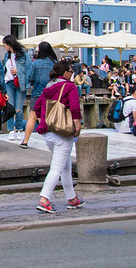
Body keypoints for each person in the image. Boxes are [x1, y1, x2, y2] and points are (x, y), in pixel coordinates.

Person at [29, 60, 85, 213]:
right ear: (66, 73)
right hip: (62, 133)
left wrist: (45, 121)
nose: (72, 74)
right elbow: (74, 107)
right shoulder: (69, 86)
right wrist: (77, 125)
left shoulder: (49, 86)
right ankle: (44, 199)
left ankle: (72, 198)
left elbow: (37, 106)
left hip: (48, 133)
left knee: (65, 165)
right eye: (71, 71)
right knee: (57, 168)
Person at [21, 42, 58, 149]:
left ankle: (25, 141)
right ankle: (53, 140)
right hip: (52, 93)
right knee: (51, 117)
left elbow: (30, 78)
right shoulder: (54, 63)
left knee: (32, 117)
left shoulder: (35, 63)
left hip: (37, 93)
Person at [2, 35, 31, 141]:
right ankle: (10, 130)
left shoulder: (24, 55)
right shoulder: (6, 55)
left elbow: (29, 68)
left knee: (18, 108)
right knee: (10, 107)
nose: (4, 46)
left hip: (20, 83)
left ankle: (19, 129)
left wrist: (18, 72)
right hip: (9, 82)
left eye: (5, 44)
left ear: (9, 44)